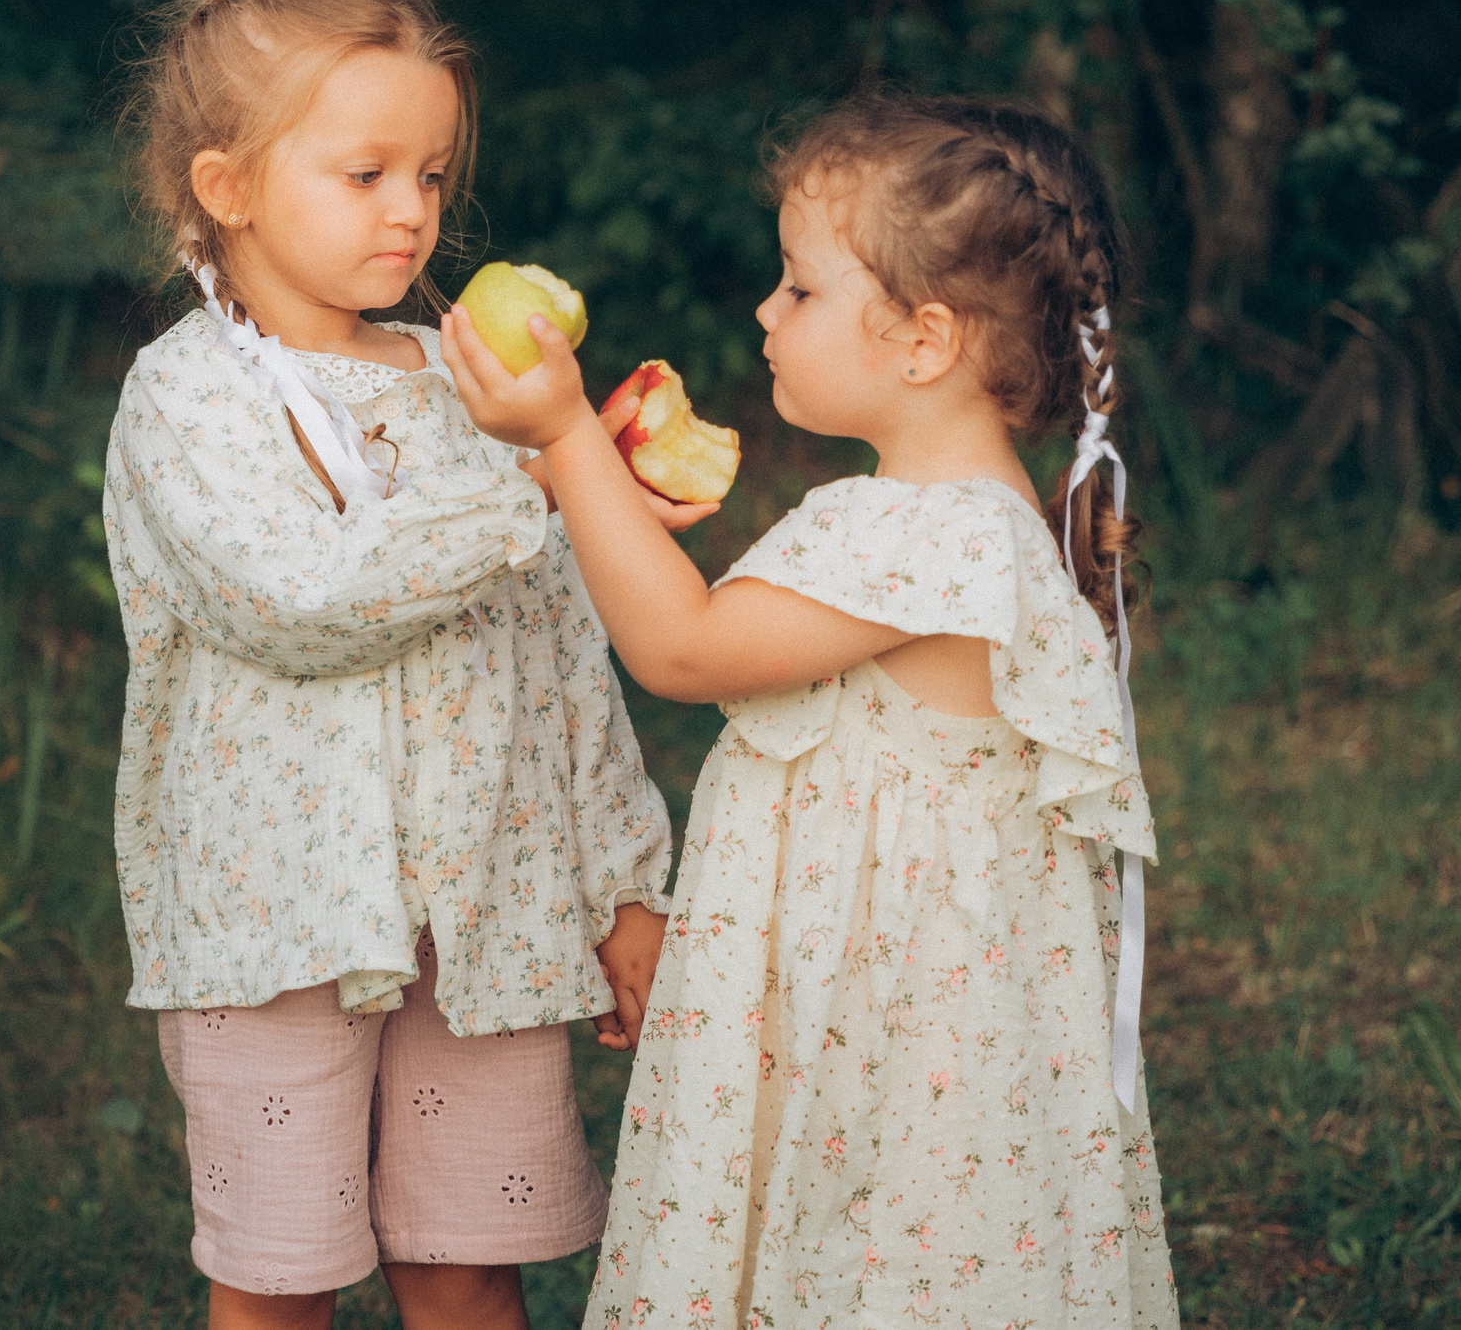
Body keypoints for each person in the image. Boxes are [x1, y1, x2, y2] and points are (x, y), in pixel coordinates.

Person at [443, 91, 1180, 1329]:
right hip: (899, 995)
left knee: (868, 1250)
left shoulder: (921, 534)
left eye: (799, 290)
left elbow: (680, 649)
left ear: (924, 341)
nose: (763, 312)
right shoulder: (973, 523)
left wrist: (570, 436)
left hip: (880, 1020)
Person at [98, 0, 680, 1330]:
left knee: (469, 1263)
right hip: (278, 914)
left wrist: (622, 879)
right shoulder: (186, 396)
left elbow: (557, 653)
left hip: (483, 903)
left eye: (430, 175)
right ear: (227, 186)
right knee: (281, 1275)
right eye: (363, 175)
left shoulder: (467, 379)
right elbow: (298, 601)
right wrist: (539, 469)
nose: (412, 213)